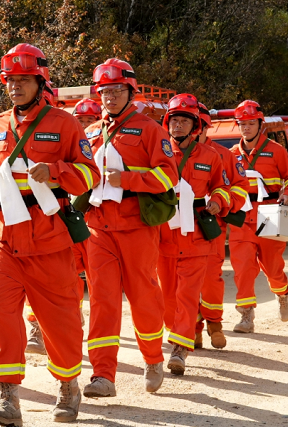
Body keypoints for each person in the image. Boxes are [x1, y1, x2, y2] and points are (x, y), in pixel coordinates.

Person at [0, 43, 100, 427]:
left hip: (49, 237)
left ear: (40, 82)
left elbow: (90, 175)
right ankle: (7, 398)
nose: (15, 87)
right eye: (9, 80)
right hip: (4, 236)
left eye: (23, 80)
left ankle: (67, 386)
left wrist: (57, 171)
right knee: (2, 315)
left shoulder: (65, 124)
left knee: (59, 320)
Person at [81, 59, 179, 397]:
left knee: (143, 296)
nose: (109, 97)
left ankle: (152, 359)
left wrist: (128, 179)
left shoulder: (149, 129)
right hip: (98, 227)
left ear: (130, 92)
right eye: (104, 91)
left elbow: (169, 176)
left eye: (116, 90)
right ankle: (102, 375)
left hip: (137, 226)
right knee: (102, 300)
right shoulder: (90, 132)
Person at [155, 94, 231, 375]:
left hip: (197, 235)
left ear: (195, 126)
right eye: (174, 120)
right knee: (167, 297)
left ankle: (179, 348)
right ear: (167, 123)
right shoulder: (157, 152)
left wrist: (218, 200)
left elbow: (222, 187)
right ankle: (178, 332)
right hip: (163, 234)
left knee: (187, 294)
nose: (178, 125)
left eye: (184, 121)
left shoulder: (210, 156)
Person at [26, 96, 99, 356]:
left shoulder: (98, 140)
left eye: (90, 120)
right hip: (63, 217)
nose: (86, 124)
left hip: (91, 221)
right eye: (81, 119)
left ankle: (94, 327)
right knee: (61, 277)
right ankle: (40, 327)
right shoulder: (61, 138)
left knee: (92, 279)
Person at [228, 100, 288, 333]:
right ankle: (246, 315)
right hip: (242, 217)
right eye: (243, 124)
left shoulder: (276, 150)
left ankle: (282, 293)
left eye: (251, 123)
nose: (246, 128)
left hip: (269, 215)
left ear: (260, 125)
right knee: (242, 268)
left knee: (273, 268)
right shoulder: (231, 154)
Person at [194, 103, 250, 349]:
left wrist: (221, 201)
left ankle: (214, 323)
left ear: (206, 127)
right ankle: (192, 328)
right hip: (177, 228)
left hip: (211, 228)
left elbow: (240, 187)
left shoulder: (223, 155)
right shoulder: (170, 152)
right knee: (182, 282)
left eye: (197, 125)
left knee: (210, 278)